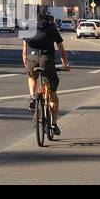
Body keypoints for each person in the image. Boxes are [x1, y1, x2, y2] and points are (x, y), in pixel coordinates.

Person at [22, 9, 70, 139]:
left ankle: (32, 96)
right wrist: (65, 64)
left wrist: (25, 60)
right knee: (53, 92)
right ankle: (54, 123)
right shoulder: (52, 29)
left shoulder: (29, 27)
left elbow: (24, 48)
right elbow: (61, 49)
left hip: (32, 59)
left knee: (32, 76)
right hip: (46, 60)